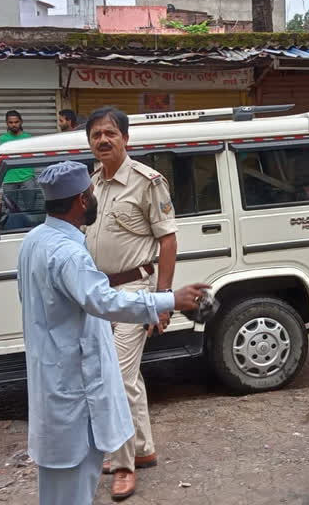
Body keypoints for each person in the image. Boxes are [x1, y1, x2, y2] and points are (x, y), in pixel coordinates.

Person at [17, 160, 207, 505]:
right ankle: (126, 461)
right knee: (74, 484)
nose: (95, 199)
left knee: (57, 486)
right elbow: (102, 301)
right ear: (80, 201)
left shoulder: (35, 240)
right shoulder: (69, 254)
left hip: (53, 376)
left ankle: (136, 453)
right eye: (91, 194)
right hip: (72, 386)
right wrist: (171, 299)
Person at [84, 106, 178, 500]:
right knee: (128, 378)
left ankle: (122, 465)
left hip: (135, 293)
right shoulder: (93, 183)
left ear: (126, 138)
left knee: (116, 379)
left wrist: (162, 301)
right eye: (96, 135)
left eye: (110, 133)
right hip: (101, 296)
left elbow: (168, 240)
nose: (103, 140)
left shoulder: (147, 182)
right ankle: (142, 449)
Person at [0, 110, 34, 212]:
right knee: (10, 209)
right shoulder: (2, 139)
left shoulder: (28, 138)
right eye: (11, 122)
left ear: (21, 122)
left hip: (27, 177)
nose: (14, 125)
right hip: (9, 178)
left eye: (16, 122)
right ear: (7, 123)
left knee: (31, 208)